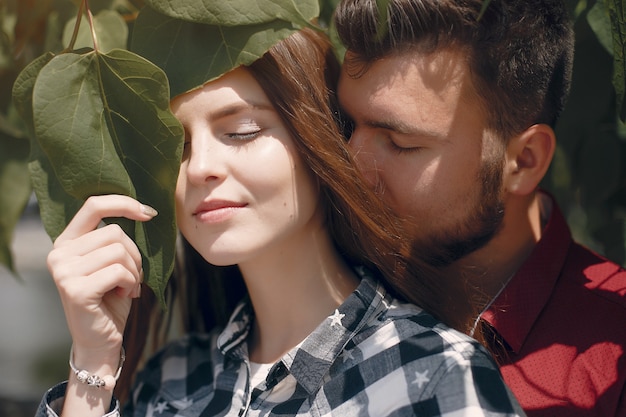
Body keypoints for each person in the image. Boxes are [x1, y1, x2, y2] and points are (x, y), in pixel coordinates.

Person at [36, 27, 525, 417]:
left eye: (242, 131)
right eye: (176, 146)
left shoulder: (433, 377)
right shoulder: (173, 382)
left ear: (319, 141)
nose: (200, 165)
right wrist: (93, 365)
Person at [334, 0, 626, 415]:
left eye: (401, 144)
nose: (351, 167)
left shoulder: (612, 359)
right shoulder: (323, 281)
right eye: (346, 126)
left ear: (524, 161)